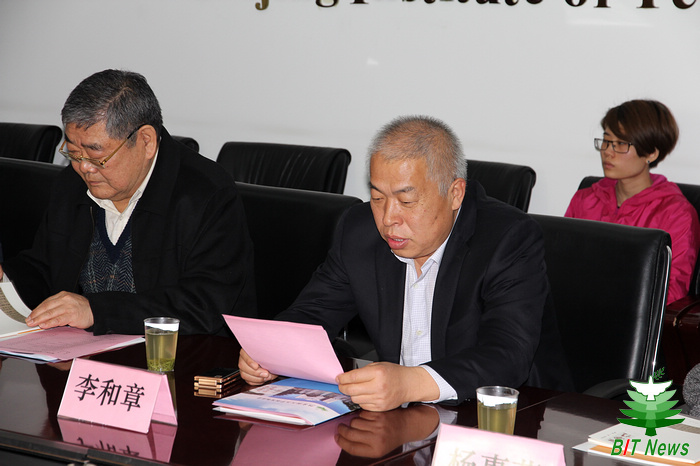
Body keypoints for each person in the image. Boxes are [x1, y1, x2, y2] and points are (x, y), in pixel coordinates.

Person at [239, 115, 570, 411]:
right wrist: (269, 350)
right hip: (402, 417)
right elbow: (313, 312)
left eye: (406, 200)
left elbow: (507, 354)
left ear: (455, 193)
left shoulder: (507, 238)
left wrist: (410, 383)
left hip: (508, 415)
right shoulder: (359, 230)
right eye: (377, 197)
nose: (388, 218)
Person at [0, 69, 256, 335]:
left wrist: (97, 311)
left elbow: (206, 305)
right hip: (82, 352)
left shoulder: (206, 194)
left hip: (181, 354)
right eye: (74, 153)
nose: (84, 168)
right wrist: (7, 277)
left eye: (97, 155)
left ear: (146, 141)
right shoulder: (71, 184)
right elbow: (46, 269)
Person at [566, 99, 700, 303]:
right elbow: (562, 263)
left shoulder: (676, 214)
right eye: (606, 141)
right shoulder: (585, 199)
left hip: (632, 316)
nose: (608, 151)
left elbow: (671, 292)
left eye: (621, 144)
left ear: (651, 153)